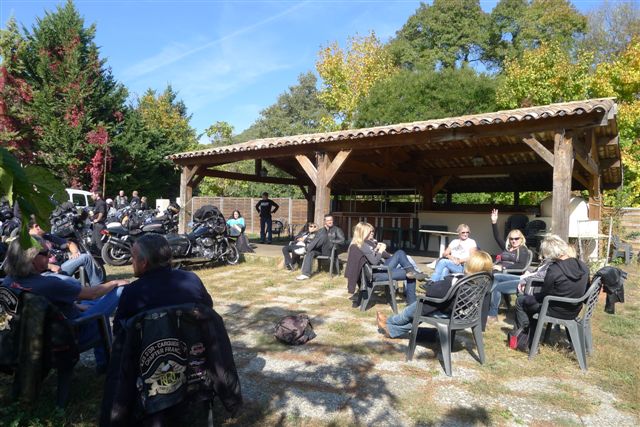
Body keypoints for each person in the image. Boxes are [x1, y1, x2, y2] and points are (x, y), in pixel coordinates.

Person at [2, 237, 128, 372]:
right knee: (121, 290)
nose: (50, 256)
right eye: (46, 253)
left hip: (34, 341)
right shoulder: (48, 284)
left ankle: (104, 363)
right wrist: (114, 282)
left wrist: (76, 306)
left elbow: (45, 306)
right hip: (70, 335)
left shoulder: (8, 282)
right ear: (31, 258)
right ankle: (109, 362)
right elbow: (93, 293)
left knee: (90, 304)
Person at [377, 251, 493, 339]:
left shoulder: (457, 281)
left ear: (469, 266)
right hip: (460, 314)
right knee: (421, 310)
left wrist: (432, 286)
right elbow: (486, 301)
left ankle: (390, 321)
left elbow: (432, 292)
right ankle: (392, 330)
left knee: (416, 308)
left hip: (445, 312)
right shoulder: (485, 282)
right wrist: (481, 324)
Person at [113, 233, 213, 329]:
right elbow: (208, 309)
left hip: (149, 341)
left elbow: (119, 330)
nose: (131, 260)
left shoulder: (132, 292)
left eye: (133, 257)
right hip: (192, 339)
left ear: (143, 263)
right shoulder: (192, 279)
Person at [513, 235, 588, 334]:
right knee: (530, 299)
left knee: (521, 301)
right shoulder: (582, 265)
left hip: (554, 309)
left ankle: (524, 335)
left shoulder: (554, 269)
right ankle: (531, 334)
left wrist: (530, 292)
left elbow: (545, 293)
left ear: (551, 253)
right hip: (575, 309)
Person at [344, 222, 427, 305]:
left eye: (373, 231)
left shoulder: (364, 244)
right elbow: (374, 262)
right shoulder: (362, 245)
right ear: (363, 232)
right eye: (370, 231)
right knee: (410, 273)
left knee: (402, 257)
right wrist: (380, 251)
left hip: (378, 270)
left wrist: (377, 248)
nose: (372, 233)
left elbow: (387, 256)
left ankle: (413, 273)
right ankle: (412, 302)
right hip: (376, 274)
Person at [28, 216, 105, 286]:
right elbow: (29, 262)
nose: (48, 226)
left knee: (85, 257)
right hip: (46, 273)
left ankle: (97, 287)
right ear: (37, 226)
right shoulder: (29, 242)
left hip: (61, 266)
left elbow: (69, 243)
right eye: (45, 224)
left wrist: (75, 252)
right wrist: (50, 266)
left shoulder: (47, 236)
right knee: (74, 283)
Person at [487, 209, 530, 322]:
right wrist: (494, 222)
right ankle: (485, 305)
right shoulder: (507, 248)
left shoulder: (523, 250)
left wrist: (503, 267)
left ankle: (492, 313)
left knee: (495, 277)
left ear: (521, 239)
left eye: (516, 238)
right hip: (500, 271)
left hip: (512, 274)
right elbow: (497, 237)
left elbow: (521, 266)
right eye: (511, 239)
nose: (513, 241)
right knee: (486, 274)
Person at [297, 214, 345, 281]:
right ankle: (305, 274)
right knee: (310, 252)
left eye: (331, 220)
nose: (330, 222)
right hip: (320, 250)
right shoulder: (321, 230)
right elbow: (315, 239)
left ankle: (306, 249)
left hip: (329, 250)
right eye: (328, 220)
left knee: (323, 237)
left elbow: (342, 241)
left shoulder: (337, 229)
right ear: (325, 222)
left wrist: (330, 240)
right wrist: (307, 239)